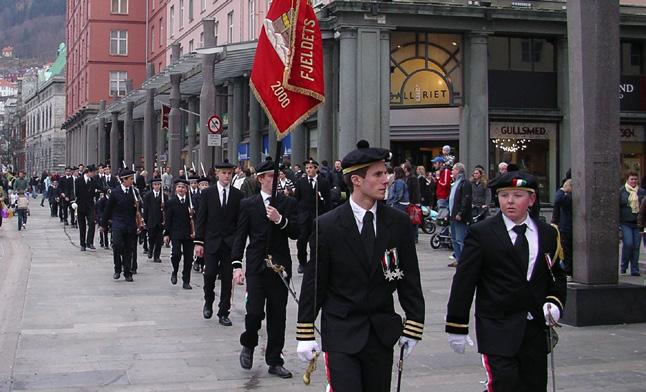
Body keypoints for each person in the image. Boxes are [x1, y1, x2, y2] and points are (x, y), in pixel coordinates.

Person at [296, 140, 425, 392]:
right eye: (377, 174)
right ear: (356, 180)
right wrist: (305, 331)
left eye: (385, 172)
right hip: (342, 332)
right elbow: (315, 283)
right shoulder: (329, 225)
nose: (386, 179)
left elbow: (409, 278)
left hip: (381, 332)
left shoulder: (397, 223)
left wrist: (414, 325)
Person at [445, 171, 566, 392]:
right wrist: (456, 325)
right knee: (503, 383)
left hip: (534, 328)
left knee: (534, 384)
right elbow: (464, 281)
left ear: (531, 199)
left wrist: (555, 302)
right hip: (497, 326)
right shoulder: (482, 233)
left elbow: (555, 273)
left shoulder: (547, 233)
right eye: (504, 195)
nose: (509, 201)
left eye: (517, 195)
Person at [231, 158, 299, 378]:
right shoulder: (248, 204)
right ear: (261, 179)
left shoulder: (287, 203)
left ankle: (275, 360)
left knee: (278, 315)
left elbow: (297, 232)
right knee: (254, 313)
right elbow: (240, 236)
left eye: (278, 176)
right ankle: (249, 342)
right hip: (256, 266)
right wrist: (236, 266)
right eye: (272, 176)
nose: (276, 180)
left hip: (279, 267)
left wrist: (280, 220)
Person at [194, 161, 243, 326]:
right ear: (217, 174)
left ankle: (224, 311)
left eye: (229, 173)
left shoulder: (238, 195)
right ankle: (208, 301)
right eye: (224, 173)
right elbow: (201, 218)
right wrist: (198, 242)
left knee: (227, 279)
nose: (227, 176)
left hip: (229, 243)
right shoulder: (207, 193)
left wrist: (238, 242)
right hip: (211, 241)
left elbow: (239, 222)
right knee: (209, 274)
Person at [294, 158, 332, 274]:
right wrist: (297, 215)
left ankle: (315, 262)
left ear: (316, 168)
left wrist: (323, 203)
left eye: (310, 168)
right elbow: (297, 199)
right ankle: (302, 262)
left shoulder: (323, 182)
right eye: (306, 168)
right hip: (304, 217)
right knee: (301, 241)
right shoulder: (301, 182)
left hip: (317, 216)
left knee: (315, 242)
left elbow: (328, 200)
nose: (308, 170)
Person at [103, 169, 138, 282]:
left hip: (130, 224)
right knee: (117, 245)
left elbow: (138, 210)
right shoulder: (115, 192)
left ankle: (127, 272)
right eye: (130, 179)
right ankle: (117, 268)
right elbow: (108, 209)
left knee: (129, 249)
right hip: (118, 223)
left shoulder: (134, 192)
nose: (132, 181)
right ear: (124, 180)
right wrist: (103, 223)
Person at [164, 179, 195, 289]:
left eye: (183, 187)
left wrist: (193, 212)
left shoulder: (191, 202)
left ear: (186, 189)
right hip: (176, 232)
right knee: (176, 254)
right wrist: (166, 233)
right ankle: (175, 270)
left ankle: (186, 280)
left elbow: (195, 219)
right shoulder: (171, 202)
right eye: (179, 187)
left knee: (189, 257)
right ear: (176, 189)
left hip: (189, 233)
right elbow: (168, 219)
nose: (181, 189)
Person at [619, 172, 645, 276]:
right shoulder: (621, 191)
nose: (634, 181)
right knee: (628, 244)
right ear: (627, 180)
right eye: (632, 179)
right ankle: (624, 265)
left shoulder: (642, 192)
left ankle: (635, 269)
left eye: (635, 179)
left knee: (636, 245)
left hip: (639, 224)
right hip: (625, 222)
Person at [447, 163, 472, 267]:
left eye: (453, 170)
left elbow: (465, 199)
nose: (452, 172)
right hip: (453, 214)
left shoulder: (464, 183)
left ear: (459, 171)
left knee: (460, 239)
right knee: (454, 239)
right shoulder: (455, 183)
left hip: (459, 216)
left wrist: (460, 212)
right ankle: (458, 258)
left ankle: (464, 260)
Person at [75, 165, 99, 251]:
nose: (94, 174)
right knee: (82, 226)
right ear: (89, 172)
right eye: (93, 172)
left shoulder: (93, 180)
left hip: (90, 206)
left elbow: (99, 187)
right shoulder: (79, 180)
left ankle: (90, 242)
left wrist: (107, 189)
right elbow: (76, 193)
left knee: (92, 223)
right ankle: (82, 244)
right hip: (81, 205)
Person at [552, 179, 573, 277]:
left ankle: (568, 270)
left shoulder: (568, 197)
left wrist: (562, 190)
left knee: (566, 250)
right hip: (566, 226)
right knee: (566, 249)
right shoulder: (566, 196)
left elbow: (557, 200)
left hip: (567, 227)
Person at [143, 177, 165, 263]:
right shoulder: (148, 196)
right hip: (151, 220)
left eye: (159, 184)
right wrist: (145, 220)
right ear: (152, 186)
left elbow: (166, 210)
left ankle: (157, 256)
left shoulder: (164, 196)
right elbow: (146, 209)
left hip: (160, 221)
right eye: (155, 185)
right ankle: (150, 249)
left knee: (159, 240)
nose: (157, 186)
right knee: (151, 237)